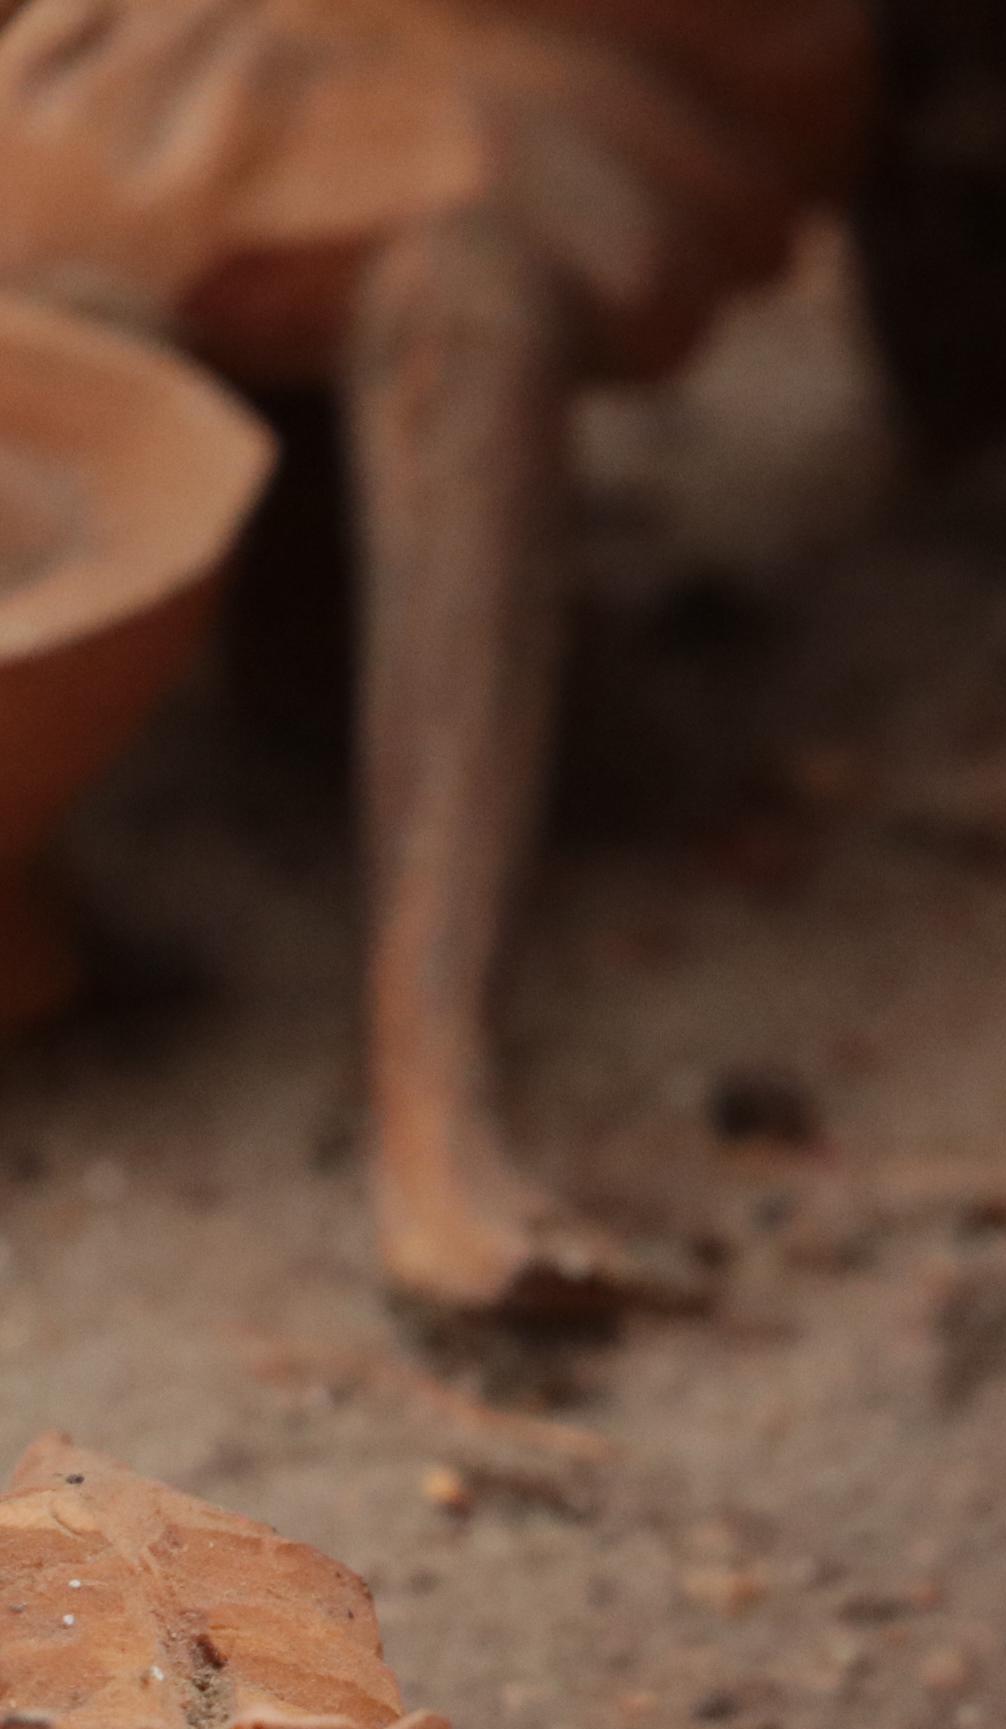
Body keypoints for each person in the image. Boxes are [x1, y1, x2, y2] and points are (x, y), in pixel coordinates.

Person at [0, 0, 866, 1311]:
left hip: (551, 55)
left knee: (468, 295)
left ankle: (438, 1093)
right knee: (55, 285)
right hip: (187, 39)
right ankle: (46, 903)